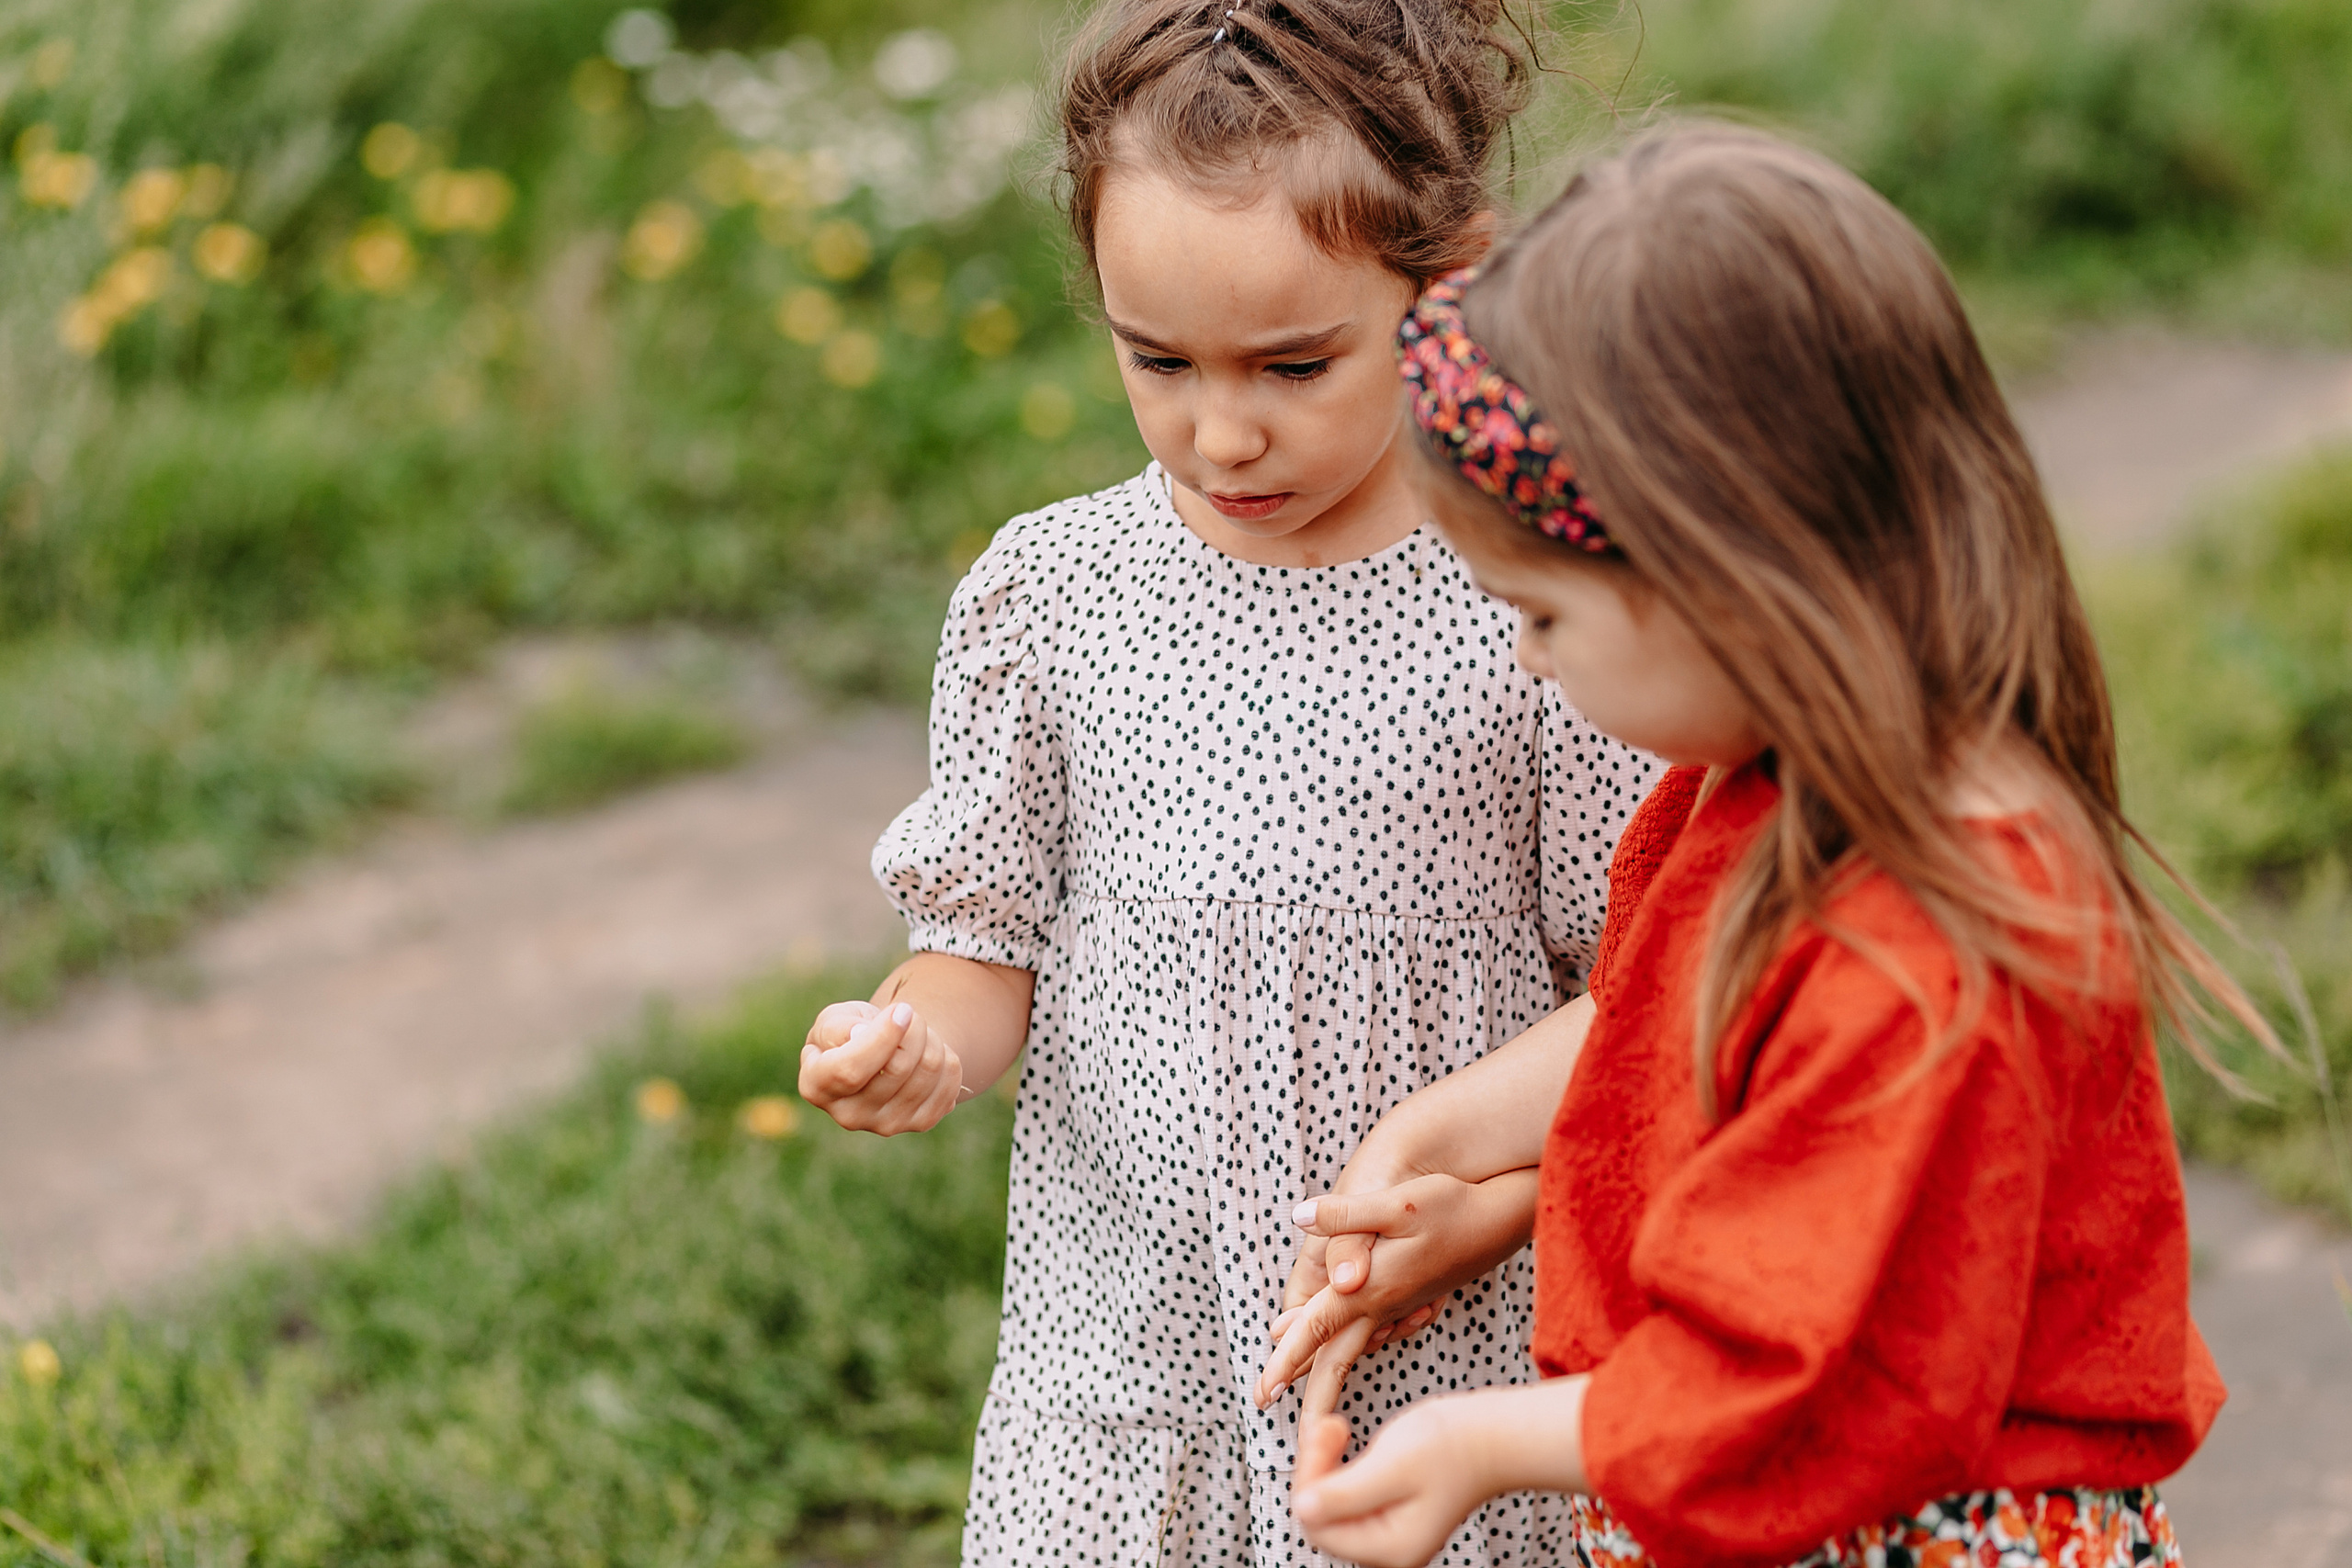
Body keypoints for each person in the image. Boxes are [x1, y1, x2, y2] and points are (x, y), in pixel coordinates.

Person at [1269, 122, 2275, 1568]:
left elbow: (1811, 1375)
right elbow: (1664, 1016)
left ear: (1733, 575)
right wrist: (1437, 1135)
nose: (1530, 663)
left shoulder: (1926, 942)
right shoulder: (1773, 775)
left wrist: (1478, 1442)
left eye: (1546, 615)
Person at [794, 1, 1659, 1562]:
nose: (1223, 430)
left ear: (1443, 279)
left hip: (1431, 1352)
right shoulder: (1047, 598)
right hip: (1127, 1363)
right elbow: (988, 943)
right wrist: (915, 1036)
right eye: (1159, 361)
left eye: (1295, 362)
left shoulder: (1532, 597)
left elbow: (1650, 989)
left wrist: (1487, 1210)